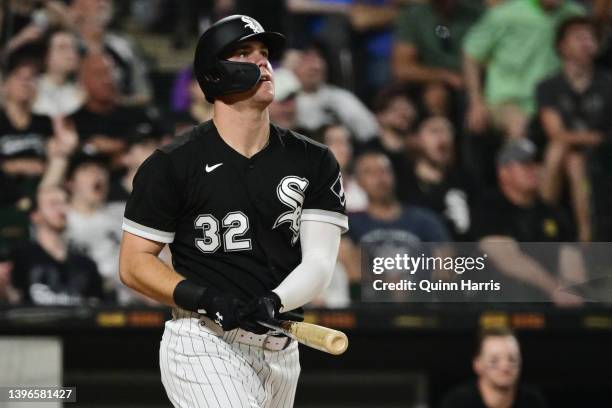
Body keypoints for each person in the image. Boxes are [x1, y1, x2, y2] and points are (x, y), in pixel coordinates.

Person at [119, 15, 347, 408]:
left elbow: (320, 263)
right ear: (213, 76)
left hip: (281, 347)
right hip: (203, 338)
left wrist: (274, 300)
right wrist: (204, 297)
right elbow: (133, 263)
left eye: (264, 53)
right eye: (244, 53)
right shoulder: (173, 163)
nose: (262, 62)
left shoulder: (314, 159)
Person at [474, 139, 586, 306]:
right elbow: (506, 258)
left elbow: (572, 261)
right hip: (502, 305)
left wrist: (574, 293)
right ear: (503, 172)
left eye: (535, 163)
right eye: (524, 164)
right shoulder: (489, 207)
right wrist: (554, 288)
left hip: (554, 308)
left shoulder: (553, 213)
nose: (533, 169)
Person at [537, 17, 612, 242]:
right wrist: (595, 137)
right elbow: (555, 133)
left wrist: (599, 140)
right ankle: (550, 223)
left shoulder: (608, 84)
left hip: (604, 154)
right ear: (561, 46)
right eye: (578, 36)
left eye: (591, 37)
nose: (586, 42)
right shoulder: (548, 86)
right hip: (568, 154)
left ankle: (550, 227)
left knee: (571, 157)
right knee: (568, 156)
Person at [463, 0, 584, 138]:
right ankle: (513, 158)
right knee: (518, 125)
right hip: (507, 101)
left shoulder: (574, 15)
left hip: (554, 101)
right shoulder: (505, 14)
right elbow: (471, 54)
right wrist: (476, 102)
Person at [346, 151, 451, 300]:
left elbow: (446, 259)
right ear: (358, 182)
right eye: (370, 172)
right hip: (370, 301)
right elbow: (345, 257)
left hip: (419, 298)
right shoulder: (352, 222)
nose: (379, 178)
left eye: (384, 171)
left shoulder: (423, 219)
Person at [10, 186, 103, 305]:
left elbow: (96, 306)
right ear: (35, 214)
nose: (62, 209)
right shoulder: (21, 255)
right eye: (53, 204)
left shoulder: (85, 263)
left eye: (65, 203)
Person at [68, 53, 160, 159]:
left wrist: (120, 145)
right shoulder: (74, 123)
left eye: (110, 72)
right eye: (98, 74)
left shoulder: (138, 115)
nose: (107, 80)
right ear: (83, 80)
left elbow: (164, 139)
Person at [399, 116, 473, 240]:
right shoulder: (403, 183)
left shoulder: (465, 180)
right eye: (434, 131)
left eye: (448, 131)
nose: (443, 137)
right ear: (416, 140)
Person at [64, 153, 126, 303]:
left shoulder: (124, 212)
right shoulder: (61, 218)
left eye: (101, 169)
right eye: (86, 169)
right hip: (79, 297)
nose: (97, 174)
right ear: (70, 183)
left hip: (129, 299)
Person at [440, 327, 548, 408]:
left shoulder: (533, 402)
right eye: (494, 360)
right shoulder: (457, 403)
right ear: (477, 365)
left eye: (512, 359)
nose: (505, 366)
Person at [291, 42, 379, 142]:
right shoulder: (281, 99)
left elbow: (370, 131)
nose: (315, 66)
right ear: (292, 66)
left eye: (319, 59)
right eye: (306, 60)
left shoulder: (340, 98)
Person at [392, 0, 482, 90]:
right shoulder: (413, 16)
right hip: (435, 79)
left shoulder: (476, 11)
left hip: (475, 76)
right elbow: (402, 68)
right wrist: (444, 76)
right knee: (435, 94)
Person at [32, 29, 85, 117]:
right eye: (62, 47)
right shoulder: (32, 88)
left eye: (73, 48)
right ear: (46, 55)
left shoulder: (82, 92)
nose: (71, 54)